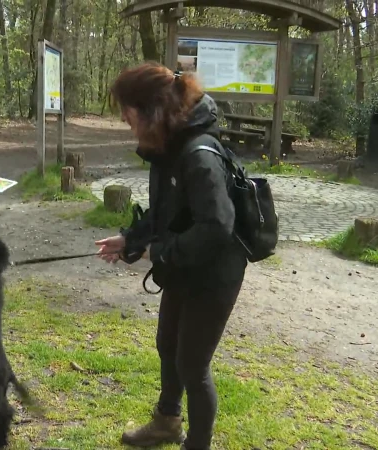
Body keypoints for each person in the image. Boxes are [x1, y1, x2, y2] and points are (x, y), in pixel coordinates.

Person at [95, 62, 247, 450]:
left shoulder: (198, 154)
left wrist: (158, 251)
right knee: (168, 346)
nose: (126, 123)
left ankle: (197, 444)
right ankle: (166, 422)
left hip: (215, 272)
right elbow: (168, 214)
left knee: (193, 367)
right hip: (185, 265)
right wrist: (130, 240)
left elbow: (216, 227)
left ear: (152, 110)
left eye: (128, 115)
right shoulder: (167, 145)